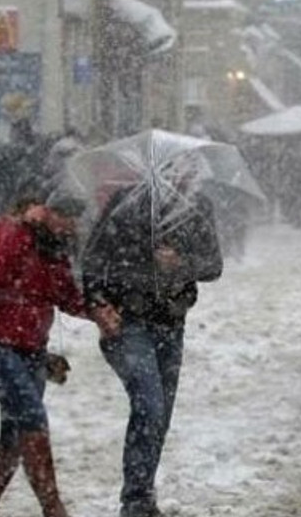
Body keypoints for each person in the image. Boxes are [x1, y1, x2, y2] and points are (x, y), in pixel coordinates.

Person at [81, 162, 224, 517]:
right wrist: (99, 302)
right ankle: (135, 500)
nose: (177, 177)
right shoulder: (125, 205)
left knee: (160, 414)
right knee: (150, 406)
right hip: (129, 323)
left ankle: (142, 494)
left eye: (183, 170)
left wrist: (179, 263)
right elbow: (93, 261)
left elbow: (213, 265)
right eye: (169, 169)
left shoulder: (196, 208)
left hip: (171, 323)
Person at [0, 193, 121, 517]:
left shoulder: (54, 251)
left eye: (73, 220)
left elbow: (64, 295)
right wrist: (23, 229)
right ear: (41, 212)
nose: (69, 225)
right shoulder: (5, 230)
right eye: (63, 216)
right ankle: (53, 507)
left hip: (30, 351)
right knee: (32, 419)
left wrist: (97, 312)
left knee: (14, 435)